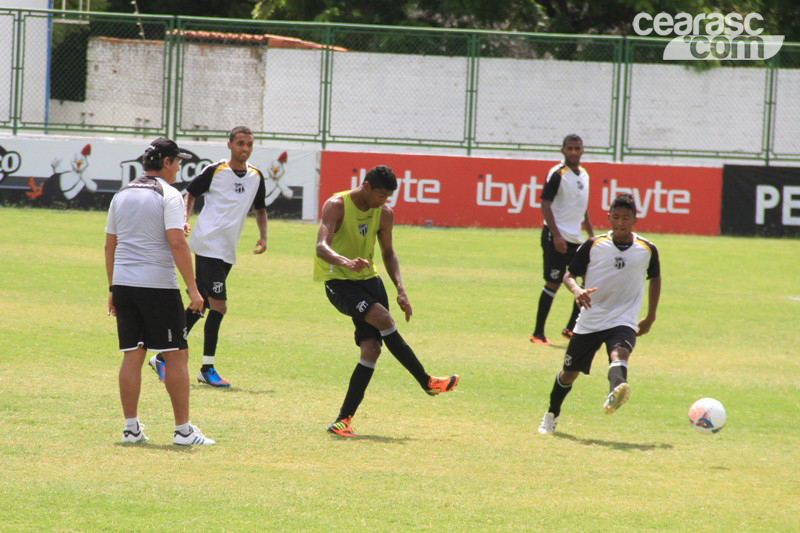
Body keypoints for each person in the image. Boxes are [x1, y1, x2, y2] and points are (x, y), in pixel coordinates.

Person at [314, 165, 460, 437]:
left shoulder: (384, 214)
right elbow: (321, 247)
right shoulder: (337, 205)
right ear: (366, 186)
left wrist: (401, 289)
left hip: (370, 281)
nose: (384, 201)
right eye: (381, 195)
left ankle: (342, 421)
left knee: (371, 350)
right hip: (340, 282)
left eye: (388, 197)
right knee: (384, 319)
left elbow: (389, 253)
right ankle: (426, 381)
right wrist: (345, 261)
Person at [105, 137, 215, 446]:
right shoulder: (169, 194)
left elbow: (110, 244)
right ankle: (183, 431)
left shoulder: (122, 194)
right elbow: (176, 242)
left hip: (125, 284)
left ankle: (130, 429)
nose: (179, 167)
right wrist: (193, 289)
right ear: (166, 162)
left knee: (132, 355)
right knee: (177, 356)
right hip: (157, 286)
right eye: (177, 162)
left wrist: (113, 287)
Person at [149, 126, 267, 388]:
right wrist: (184, 219)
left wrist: (263, 236)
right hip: (207, 245)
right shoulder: (216, 170)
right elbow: (190, 193)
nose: (244, 148)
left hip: (227, 250)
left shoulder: (256, 176)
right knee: (219, 306)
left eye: (249, 144)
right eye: (240, 143)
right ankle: (207, 367)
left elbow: (260, 209)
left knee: (198, 305)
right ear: (229, 145)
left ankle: (161, 357)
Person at [537, 193, 661, 435]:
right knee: (569, 374)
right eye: (615, 217)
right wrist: (577, 290)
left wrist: (651, 316)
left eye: (626, 218)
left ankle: (615, 391)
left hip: (623, 317)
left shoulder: (647, 249)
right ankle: (551, 413)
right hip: (591, 318)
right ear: (608, 218)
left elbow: (655, 277)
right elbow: (568, 275)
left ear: (635, 219)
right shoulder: (593, 245)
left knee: (620, 352)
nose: (620, 223)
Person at [530, 134, 594, 345]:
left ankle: (571, 328)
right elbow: (545, 204)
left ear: (582, 150)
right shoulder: (558, 174)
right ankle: (538, 333)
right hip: (556, 237)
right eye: (570, 148)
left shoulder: (584, 174)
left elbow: (582, 208)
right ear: (563, 150)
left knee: (588, 279)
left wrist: (591, 235)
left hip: (576, 239)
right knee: (553, 282)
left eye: (577, 148)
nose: (574, 152)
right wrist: (556, 234)